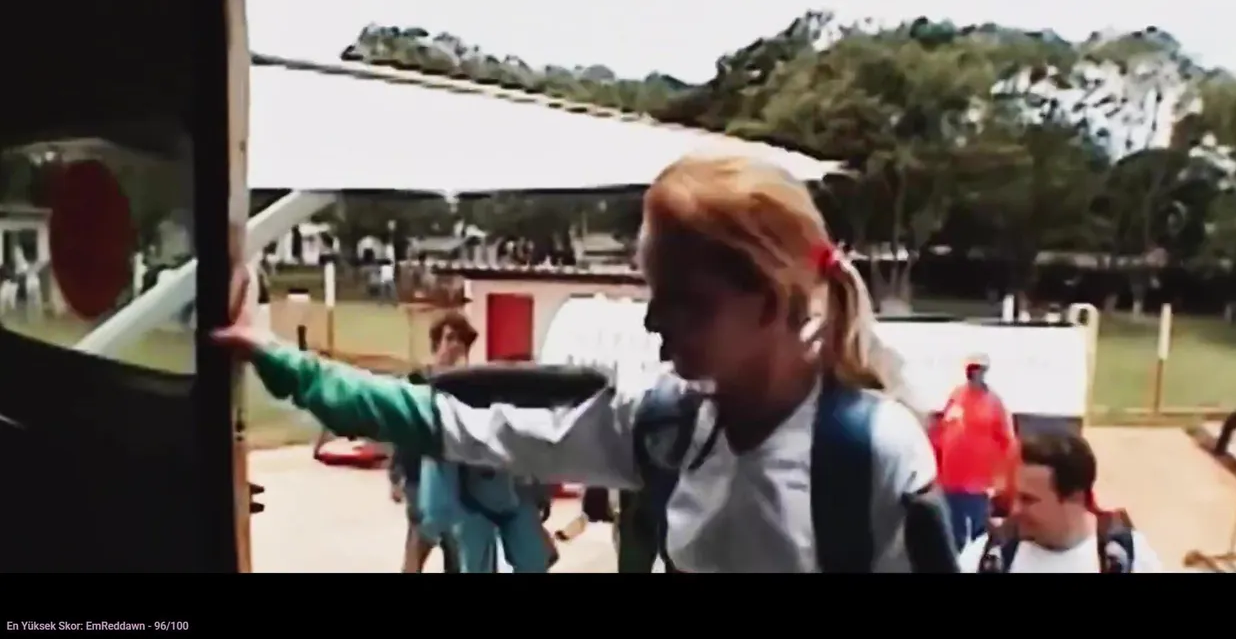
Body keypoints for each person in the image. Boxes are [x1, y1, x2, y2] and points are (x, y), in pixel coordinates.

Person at [214, 154, 956, 573]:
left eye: (686, 302)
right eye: (653, 294)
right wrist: (289, 366)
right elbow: (455, 424)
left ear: (767, 302)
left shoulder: (871, 455)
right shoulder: (666, 428)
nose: (654, 321)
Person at [391, 311, 554, 573]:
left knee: (457, 553)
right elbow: (401, 430)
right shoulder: (417, 383)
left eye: (461, 341)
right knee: (418, 547)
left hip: (456, 482)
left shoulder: (469, 387)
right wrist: (396, 474)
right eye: (449, 338)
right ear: (436, 344)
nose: (455, 345)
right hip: (418, 477)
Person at [959, 431, 1162, 573]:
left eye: (1029, 500)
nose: (1015, 509)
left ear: (1075, 498)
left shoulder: (1128, 557)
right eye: (1016, 496)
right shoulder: (986, 557)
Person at [931, 353, 1016, 550]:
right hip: (951, 480)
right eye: (971, 369)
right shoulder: (956, 396)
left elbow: (1007, 441)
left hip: (978, 485)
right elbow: (942, 431)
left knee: (980, 533)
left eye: (978, 369)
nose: (974, 373)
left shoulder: (994, 402)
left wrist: (1002, 478)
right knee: (953, 533)